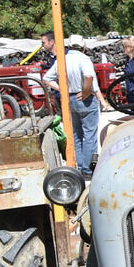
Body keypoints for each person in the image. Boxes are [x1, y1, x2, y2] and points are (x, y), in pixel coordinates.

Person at [42, 44, 99, 176]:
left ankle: (78, 166)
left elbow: (46, 79)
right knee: (90, 134)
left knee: (76, 135)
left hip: (70, 98)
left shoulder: (62, 60)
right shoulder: (83, 58)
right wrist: (86, 91)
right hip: (84, 98)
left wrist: (63, 89)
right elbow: (89, 76)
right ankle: (88, 169)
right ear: (84, 47)